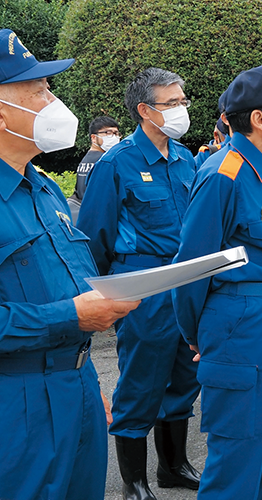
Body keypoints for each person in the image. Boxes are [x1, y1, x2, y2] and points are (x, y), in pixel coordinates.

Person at [0, 28, 140, 500]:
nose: (54, 102)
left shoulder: (40, 186)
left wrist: (84, 377)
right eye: (38, 91)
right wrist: (72, 316)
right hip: (15, 399)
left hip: (75, 382)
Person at [172, 64, 262, 500]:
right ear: (259, 119)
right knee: (237, 460)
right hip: (241, 323)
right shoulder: (224, 175)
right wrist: (200, 337)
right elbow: (192, 268)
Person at [77, 67, 202, 500]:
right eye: (172, 103)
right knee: (141, 379)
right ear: (145, 110)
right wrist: (105, 298)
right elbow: (95, 236)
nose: (182, 109)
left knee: (185, 375)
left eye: (183, 101)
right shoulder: (117, 162)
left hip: (186, 280)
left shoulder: (187, 159)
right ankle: (134, 480)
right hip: (143, 286)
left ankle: (173, 465)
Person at [67, 116, 120, 223]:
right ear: (93, 137)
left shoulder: (85, 160)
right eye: (108, 133)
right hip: (100, 218)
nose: (113, 137)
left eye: (116, 133)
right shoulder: (104, 161)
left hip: (85, 216)